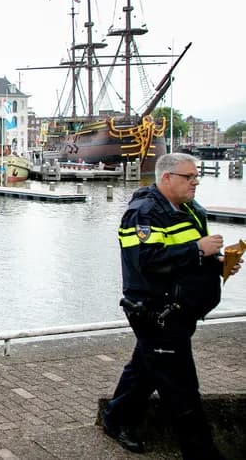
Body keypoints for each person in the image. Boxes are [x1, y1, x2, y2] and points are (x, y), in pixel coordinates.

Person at [102, 153, 241, 458]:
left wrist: (216, 263)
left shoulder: (189, 208)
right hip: (157, 311)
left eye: (196, 177)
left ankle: (115, 418)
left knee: (146, 369)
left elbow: (185, 258)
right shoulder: (143, 214)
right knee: (182, 390)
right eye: (188, 177)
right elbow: (146, 261)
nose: (196, 182)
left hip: (181, 308)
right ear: (167, 178)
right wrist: (197, 249)